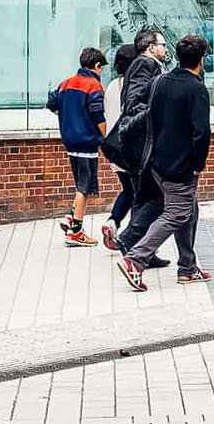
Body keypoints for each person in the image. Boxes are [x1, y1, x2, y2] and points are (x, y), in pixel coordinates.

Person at [118, 34, 214, 290]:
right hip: (180, 164)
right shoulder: (196, 89)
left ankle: (187, 266)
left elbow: (145, 111)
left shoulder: (160, 81)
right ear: (201, 60)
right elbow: (201, 132)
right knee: (176, 213)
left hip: (157, 160)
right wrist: (198, 163)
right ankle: (136, 259)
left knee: (189, 210)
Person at [109, 29, 172, 264]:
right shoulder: (147, 65)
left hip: (140, 143)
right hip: (144, 144)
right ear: (150, 47)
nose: (166, 49)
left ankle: (141, 250)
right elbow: (137, 101)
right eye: (163, 45)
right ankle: (131, 241)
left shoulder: (141, 65)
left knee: (144, 196)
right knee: (155, 198)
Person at [47, 47, 108, 246]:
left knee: (80, 184)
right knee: (85, 187)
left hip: (70, 141)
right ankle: (76, 231)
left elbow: (52, 104)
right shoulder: (93, 86)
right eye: (102, 69)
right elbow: (98, 115)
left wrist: (69, 117)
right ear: (97, 66)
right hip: (87, 142)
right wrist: (106, 137)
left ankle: (71, 217)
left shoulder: (66, 83)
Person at [100, 42, 140, 243]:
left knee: (129, 190)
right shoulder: (136, 86)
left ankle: (113, 221)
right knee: (140, 195)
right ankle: (132, 240)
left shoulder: (111, 86)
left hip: (114, 150)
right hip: (131, 149)